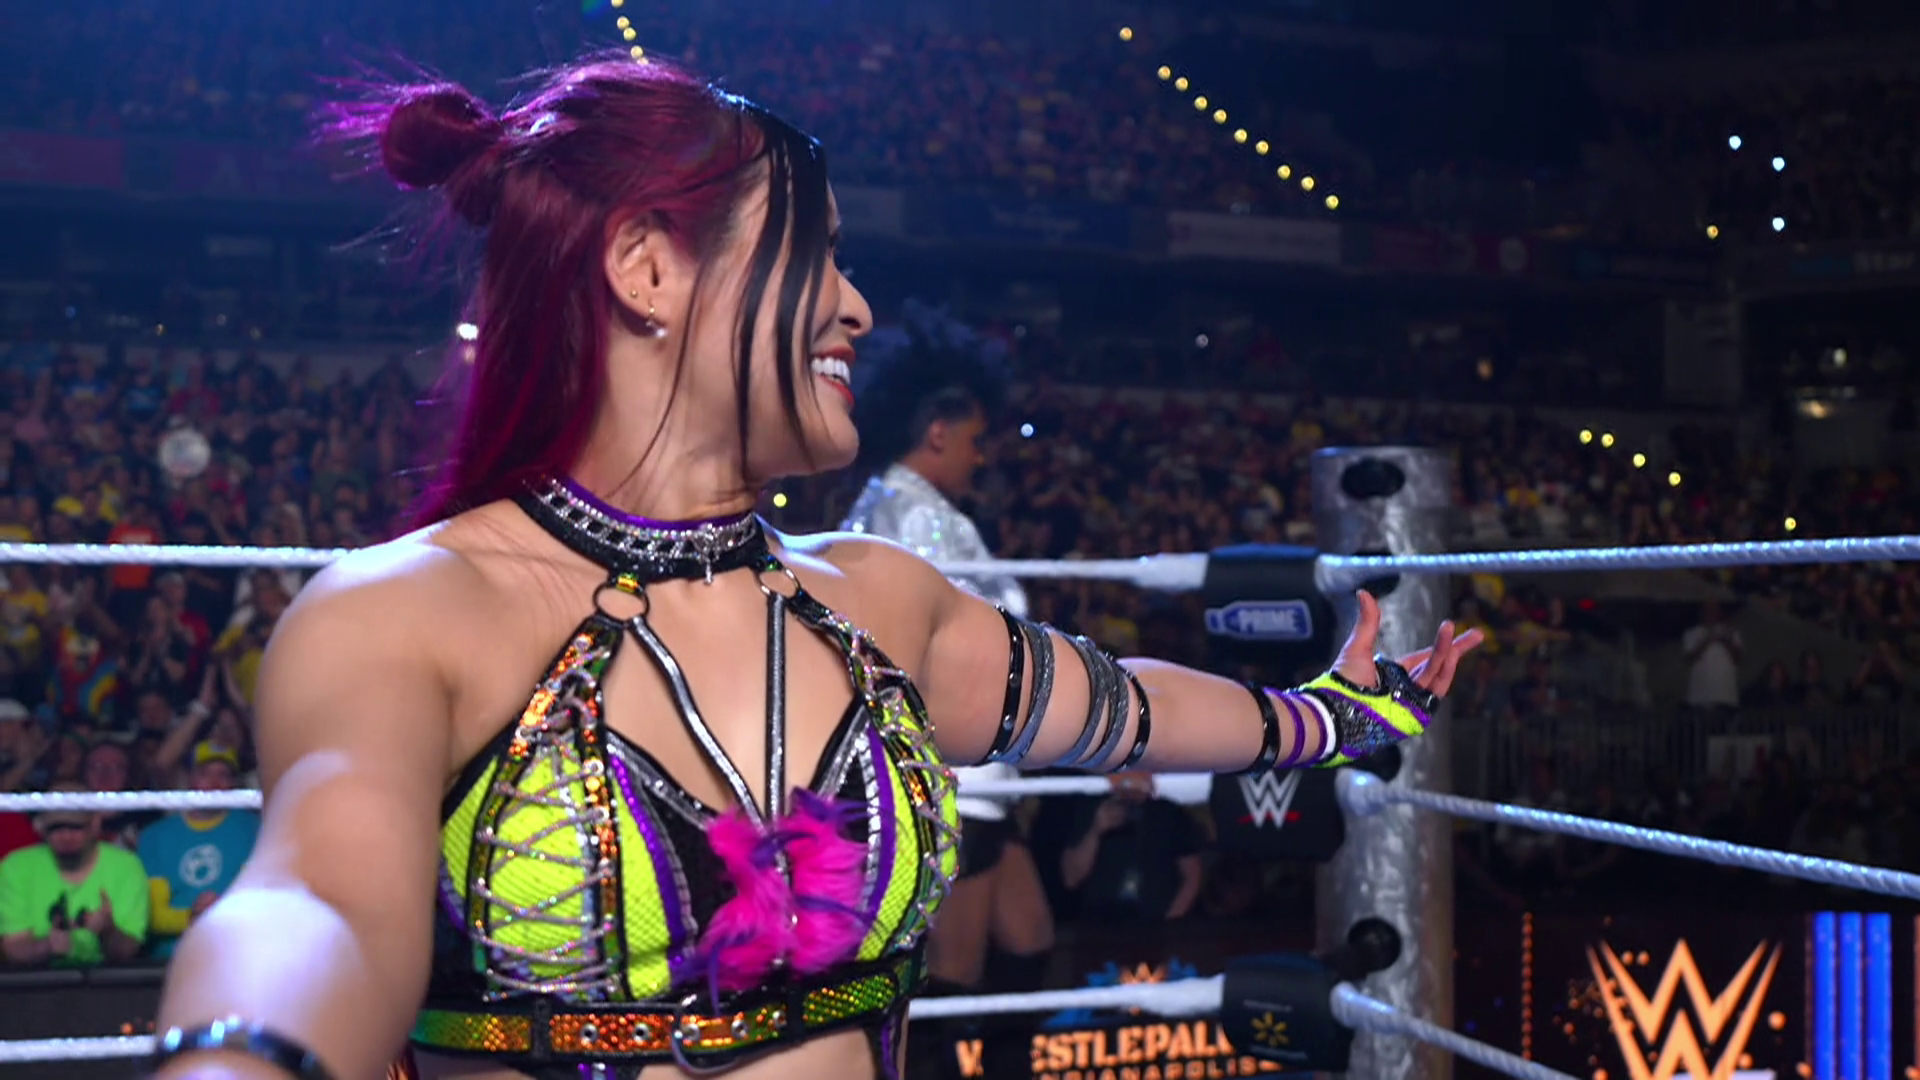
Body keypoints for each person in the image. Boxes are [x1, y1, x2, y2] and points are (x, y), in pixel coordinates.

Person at [151, 58, 1478, 1080]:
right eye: (818, 251)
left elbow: (1121, 707)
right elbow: (317, 906)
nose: (856, 305)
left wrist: (1328, 719)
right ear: (646, 268)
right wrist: (242, 1054)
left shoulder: (877, 597)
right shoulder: (403, 613)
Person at [839, 302, 1056, 1001]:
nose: (980, 456)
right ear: (938, 432)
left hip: (974, 771)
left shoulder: (894, 505)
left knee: (1029, 939)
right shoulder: (918, 518)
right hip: (956, 777)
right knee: (956, 971)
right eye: (973, 439)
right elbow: (943, 649)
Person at [0, 780, 150, 967]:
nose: (66, 835)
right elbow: (13, 948)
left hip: (109, 982)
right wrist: (48, 946)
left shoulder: (126, 867)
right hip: (35, 982)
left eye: (76, 826)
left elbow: (129, 952)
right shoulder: (16, 867)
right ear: (42, 827)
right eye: (56, 827)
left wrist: (108, 930)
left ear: (95, 823)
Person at [138, 742, 260, 958]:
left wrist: (222, 913)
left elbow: (259, 902)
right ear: (189, 778)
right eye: (205, 774)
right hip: (172, 958)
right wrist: (191, 917)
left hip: (238, 950)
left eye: (223, 775)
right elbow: (154, 916)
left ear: (233, 783)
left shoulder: (254, 829)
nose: (215, 783)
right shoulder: (155, 836)